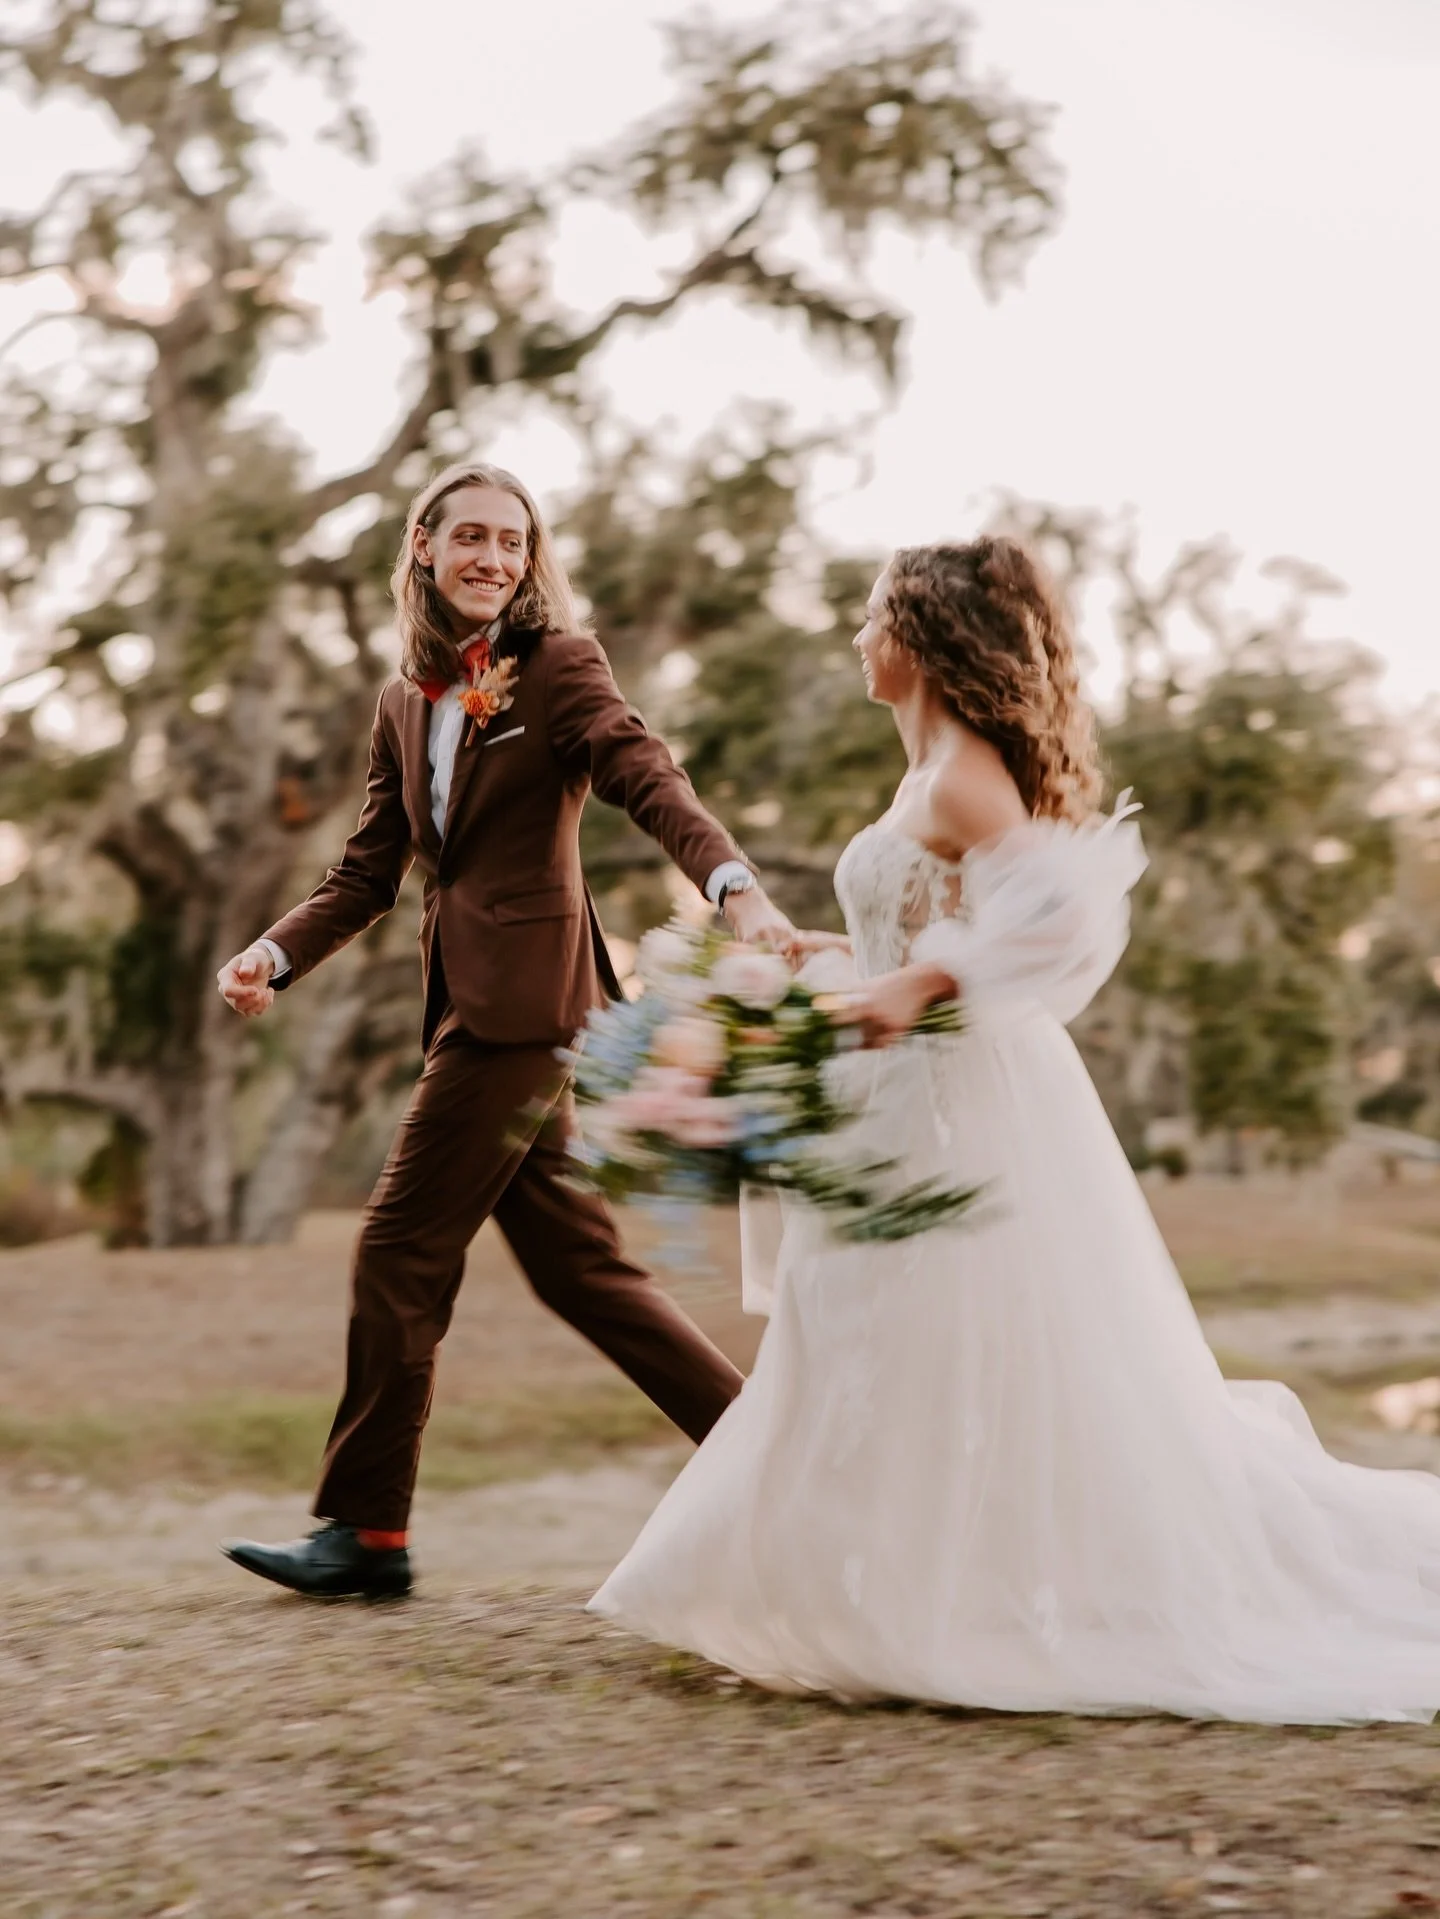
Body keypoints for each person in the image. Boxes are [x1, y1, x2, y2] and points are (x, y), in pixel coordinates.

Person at [590, 535, 1440, 1725]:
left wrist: (916, 989)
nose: (856, 634)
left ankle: (952, 1599)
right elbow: (929, 927)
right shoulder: (927, 771)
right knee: (876, 1336)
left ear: (923, 634)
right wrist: (834, 960)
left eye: (874, 612)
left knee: (948, 1334)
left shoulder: (958, 774)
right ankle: (880, 1587)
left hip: (962, 1103)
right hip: (904, 1101)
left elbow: (1063, 910)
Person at [216, 460, 793, 1599]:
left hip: (525, 1012)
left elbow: (645, 771)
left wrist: (732, 885)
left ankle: (366, 1534)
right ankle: (780, 1456)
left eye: (513, 542)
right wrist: (271, 954)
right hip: (479, 1011)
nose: (493, 557)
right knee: (584, 1271)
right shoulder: (403, 701)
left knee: (396, 1249)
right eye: (470, 535)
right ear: (423, 546)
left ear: (530, 563)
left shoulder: (559, 667)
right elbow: (369, 870)